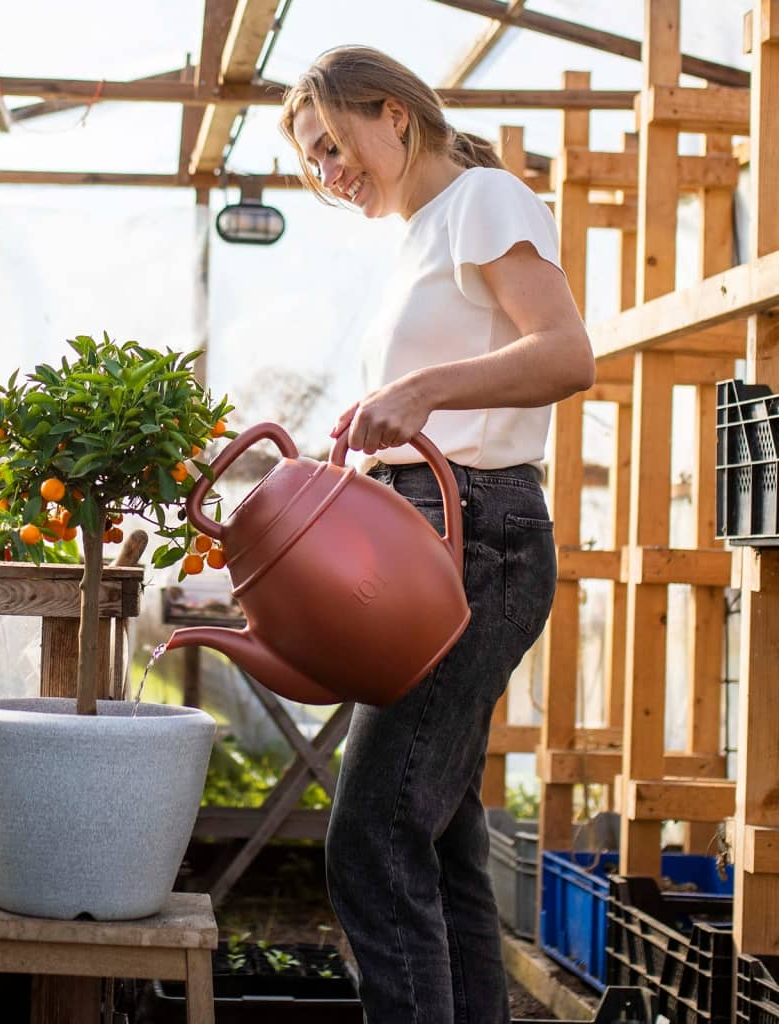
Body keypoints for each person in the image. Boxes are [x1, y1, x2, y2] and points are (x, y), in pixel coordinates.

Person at [279, 46, 595, 1024]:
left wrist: (417, 391)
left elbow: (564, 353)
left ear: (392, 114)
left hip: (477, 533)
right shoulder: (417, 233)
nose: (329, 175)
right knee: (440, 833)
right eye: (313, 162)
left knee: (370, 834)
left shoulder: (482, 200)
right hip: (431, 528)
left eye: (333, 146)